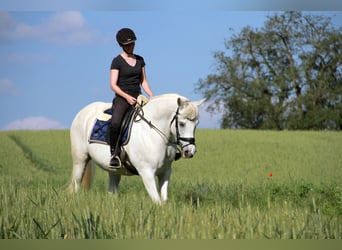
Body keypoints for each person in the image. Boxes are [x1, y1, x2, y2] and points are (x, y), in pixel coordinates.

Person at [109, 28, 153, 168]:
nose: (131, 46)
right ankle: (114, 154)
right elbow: (113, 85)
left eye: (132, 44)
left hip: (138, 96)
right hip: (123, 97)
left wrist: (151, 95)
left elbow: (143, 81)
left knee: (154, 119)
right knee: (116, 122)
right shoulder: (117, 61)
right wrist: (126, 97)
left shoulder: (140, 60)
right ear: (122, 45)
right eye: (128, 44)